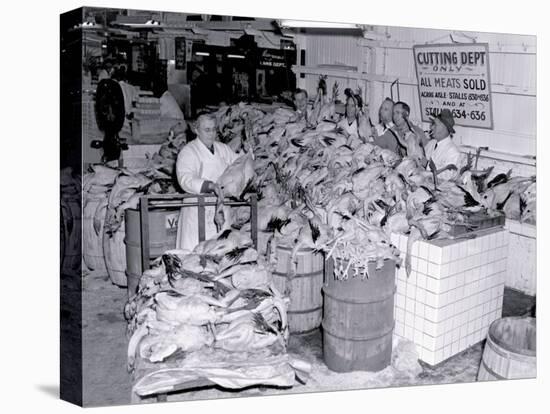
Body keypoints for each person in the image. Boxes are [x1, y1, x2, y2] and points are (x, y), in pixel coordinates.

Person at [175, 114, 239, 251]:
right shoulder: (188, 152)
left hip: (220, 209)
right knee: (196, 259)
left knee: (221, 254)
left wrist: (248, 152)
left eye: (214, 129)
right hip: (197, 211)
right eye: (207, 130)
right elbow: (185, 179)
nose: (212, 134)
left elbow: (238, 165)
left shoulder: (223, 149)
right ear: (196, 130)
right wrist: (209, 185)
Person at [424, 109, 465, 181]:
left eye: (435, 124)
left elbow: (448, 177)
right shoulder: (431, 144)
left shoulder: (453, 152)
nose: (431, 127)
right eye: (432, 124)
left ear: (445, 128)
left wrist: (426, 164)